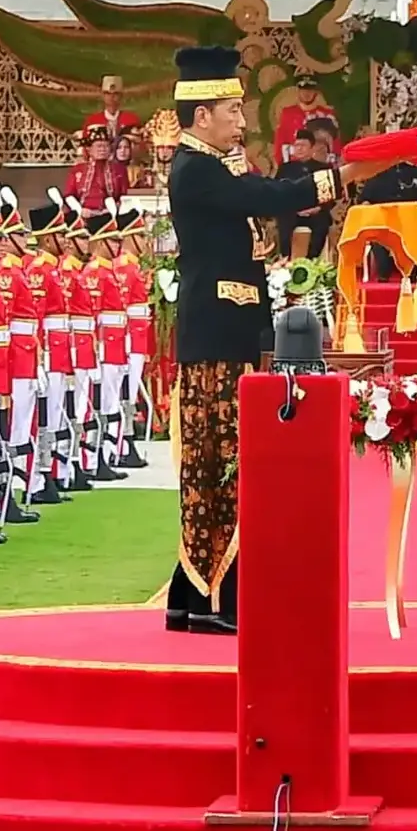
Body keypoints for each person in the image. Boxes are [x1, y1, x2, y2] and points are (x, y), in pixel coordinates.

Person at [158, 45, 334, 634]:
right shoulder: (195, 168)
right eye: (232, 110)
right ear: (202, 115)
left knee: (221, 460)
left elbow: (259, 191)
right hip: (213, 333)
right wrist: (336, 178)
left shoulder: (218, 162)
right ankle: (216, 595)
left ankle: (189, 596)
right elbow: (268, 197)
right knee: (220, 461)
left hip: (230, 327)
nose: (241, 120)